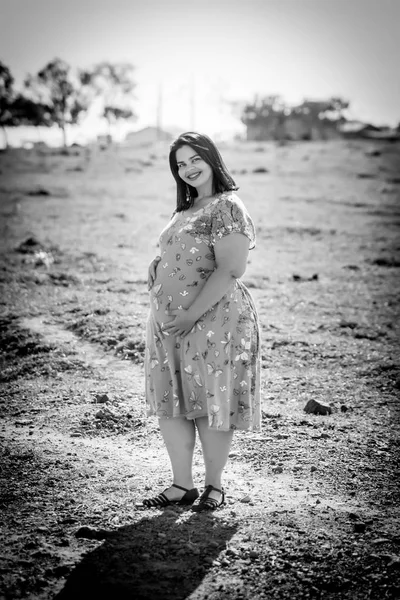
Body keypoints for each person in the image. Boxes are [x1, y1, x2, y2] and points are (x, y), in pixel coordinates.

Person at [143, 132, 261, 511]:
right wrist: (159, 266)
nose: (188, 168)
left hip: (213, 320)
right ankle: (182, 484)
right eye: (180, 164)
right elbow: (185, 252)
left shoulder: (227, 207)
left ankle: (214, 486)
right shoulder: (187, 208)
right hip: (168, 325)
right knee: (172, 401)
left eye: (195, 159)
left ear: (212, 159)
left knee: (209, 400)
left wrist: (191, 315)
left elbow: (231, 269)